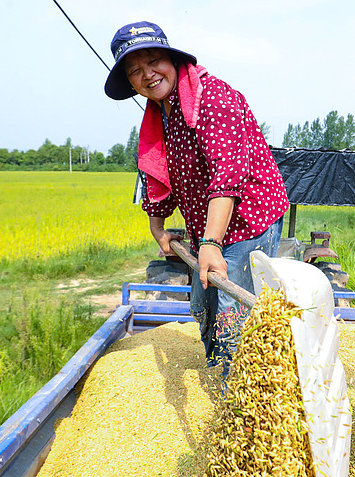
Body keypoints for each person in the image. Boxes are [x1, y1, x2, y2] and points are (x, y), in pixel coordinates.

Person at [103, 21, 289, 369]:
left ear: (172, 60)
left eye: (154, 61)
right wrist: (158, 228)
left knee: (232, 316)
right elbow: (159, 170)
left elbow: (227, 174)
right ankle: (217, 367)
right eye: (135, 71)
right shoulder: (161, 112)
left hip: (249, 219)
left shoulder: (212, 97)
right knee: (203, 304)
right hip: (209, 225)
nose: (148, 75)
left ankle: (238, 387)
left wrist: (212, 244)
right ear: (130, 82)